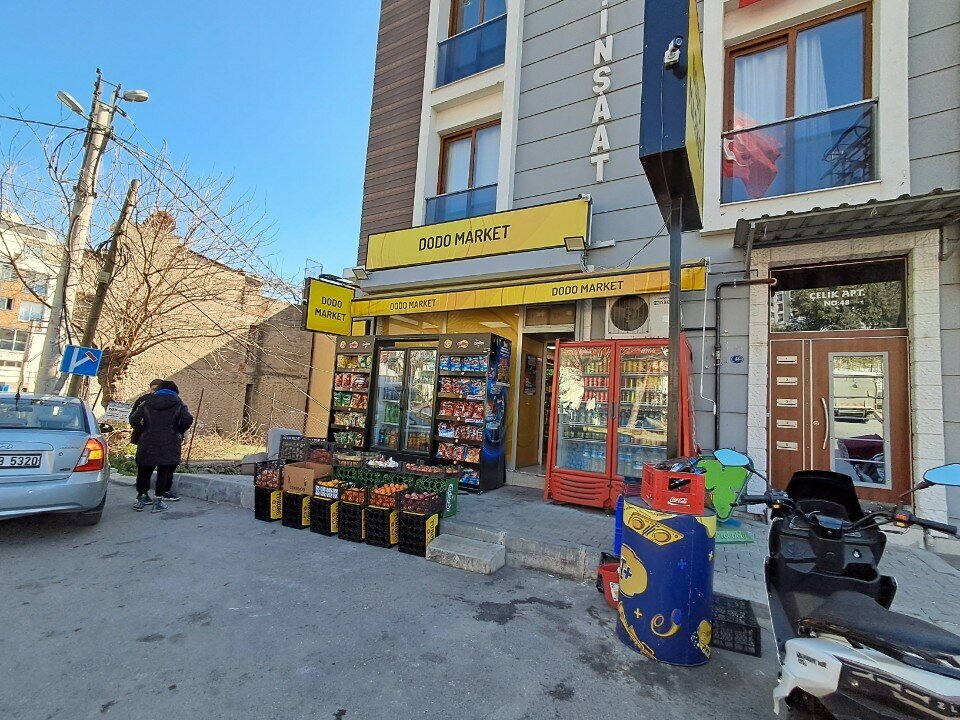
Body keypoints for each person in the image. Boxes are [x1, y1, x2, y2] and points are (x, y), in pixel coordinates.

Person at [129, 380, 193, 513]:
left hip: (148, 440)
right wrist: (178, 430)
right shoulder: (178, 402)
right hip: (170, 442)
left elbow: (133, 419)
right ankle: (158, 501)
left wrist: (143, 429)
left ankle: (141, 498)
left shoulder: (146, 401)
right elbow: (188, 419)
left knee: (144, 470)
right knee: (163, 472)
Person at [129, 379, 163, 453]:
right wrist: (142, 430)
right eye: (154, 389)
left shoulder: (171, 401)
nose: (156, 391)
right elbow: (133, 419)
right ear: (150, 389)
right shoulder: (143, 400)